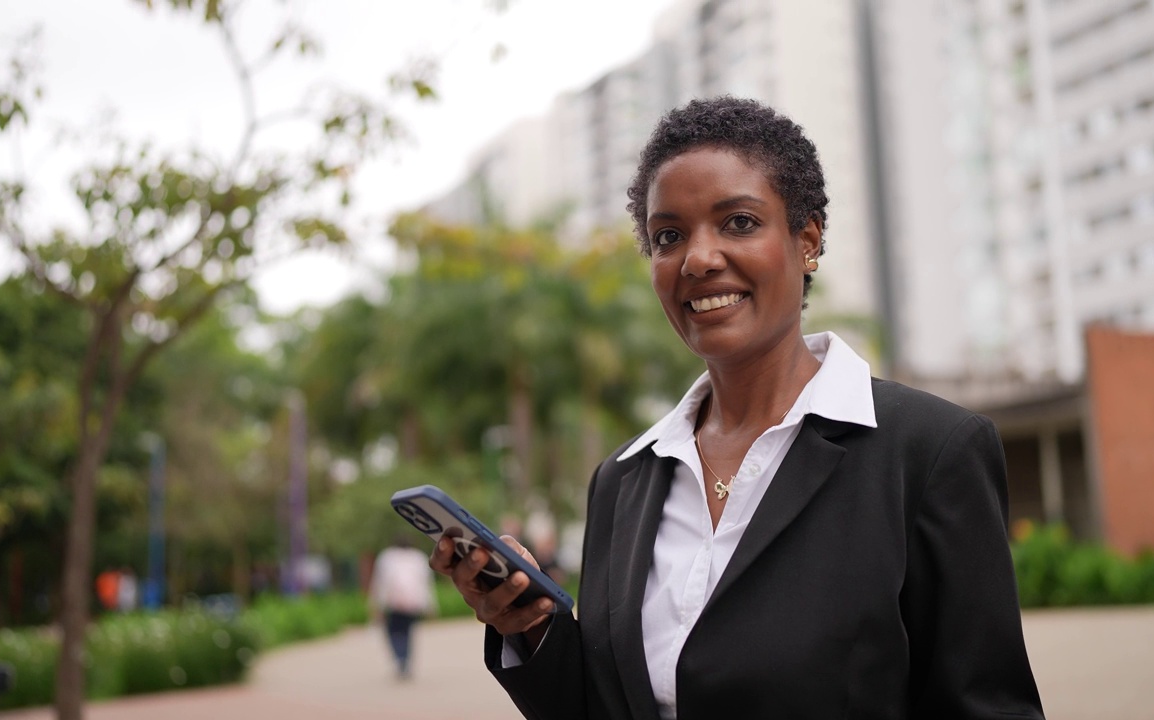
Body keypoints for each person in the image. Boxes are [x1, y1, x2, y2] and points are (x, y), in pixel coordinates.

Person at [431, 97, 1044, 719]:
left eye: (739, 223)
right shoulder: (623, 480)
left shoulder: (930, 451)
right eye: (668, 236)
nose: (697, 258)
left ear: (807, 240)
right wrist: (533, 629)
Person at [369, 535, 437, 679]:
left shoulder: (387, 557)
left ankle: (400, 657)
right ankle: (405, 659)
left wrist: (377, 606)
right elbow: (426, 584)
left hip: (394, 604)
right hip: (413, 603)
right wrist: (430, 605)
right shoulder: (418, 558)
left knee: (394, 633)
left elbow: (380, 583)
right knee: (408, 633)